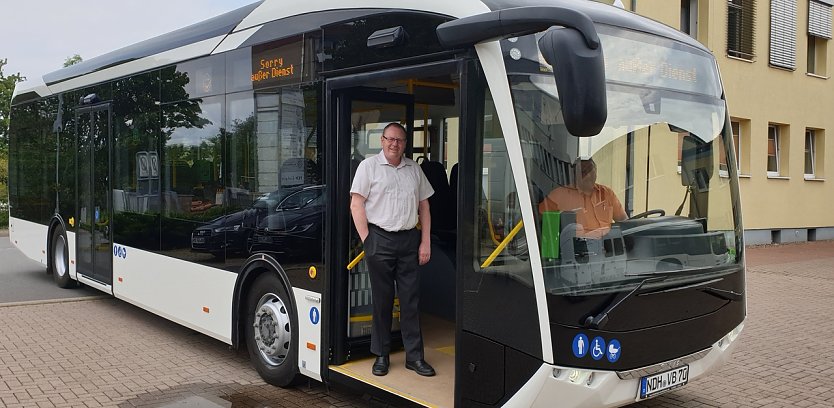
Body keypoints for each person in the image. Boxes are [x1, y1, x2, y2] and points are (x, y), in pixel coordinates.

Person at [349, 122, 436, 377]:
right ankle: (381, 356)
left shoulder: (414, 169)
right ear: (382, 141)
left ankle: (414, 357)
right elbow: (356, 204)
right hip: (380, 240)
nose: (394, 143)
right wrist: (368, 241)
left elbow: (425, 207)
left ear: (405, 143)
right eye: (389, 139)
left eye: (399, 140)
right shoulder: (369, 167)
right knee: (382, 301)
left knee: (411, 301)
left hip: (409, 240)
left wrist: (426, 241)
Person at [538, 158, 627, 237]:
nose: (587, 175)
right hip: (579, 251)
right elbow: (537, 221)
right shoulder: (560, 195)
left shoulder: (607, 193)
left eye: (589, 170)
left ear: (596, 171)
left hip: (608, 248)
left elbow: (624, 222)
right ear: (575, 174)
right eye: (583, 172)